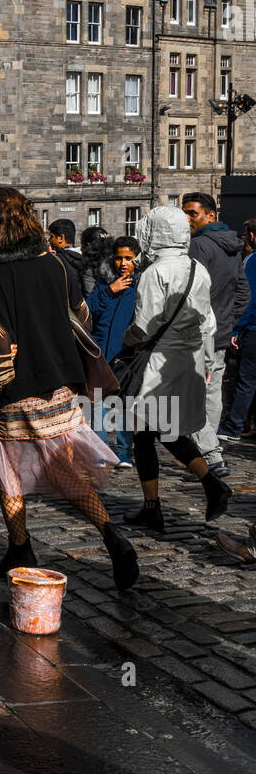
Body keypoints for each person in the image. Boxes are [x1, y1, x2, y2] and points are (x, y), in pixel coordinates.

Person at [0, 187, 137, 591]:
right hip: (60, 386)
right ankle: (113, 536)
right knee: (65, 472)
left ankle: (21, 547)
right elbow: (82, 319)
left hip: (17, 390)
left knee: (8, 473)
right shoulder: (54, 264)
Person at [122, 207, 229, 535]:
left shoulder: (155, 273)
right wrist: (207, 361)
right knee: (164, 429)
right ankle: (203, 485)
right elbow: (207, 320)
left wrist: (125, 343)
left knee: (146, 431)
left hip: (158, 362)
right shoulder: (197, 267)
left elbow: (144, 325)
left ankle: (165, 501)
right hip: (188, 358)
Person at [183, 192, 250, 474]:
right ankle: (211, 452)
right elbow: (242, 293)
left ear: (210, 215)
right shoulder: (232, 246)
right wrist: (225, 321)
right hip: (219, 333)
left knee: (195, 396)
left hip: (198, 334)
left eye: (192, 213)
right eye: (184, 213)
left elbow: (189, 293)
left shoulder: (198, 246)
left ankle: (207, 455)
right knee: (212, 394)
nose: (187, 220)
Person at [87, 236, 141, 467]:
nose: (123, 263)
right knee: (97, 403)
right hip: (101, 352)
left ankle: (123, 452)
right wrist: (109, 290)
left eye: (128, 258)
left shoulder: (142, 283)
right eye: (118, 258)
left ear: (137, 258)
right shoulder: (103, 282)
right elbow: (88, 311)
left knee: (123, 404)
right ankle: (100, 451)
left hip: (127, 353)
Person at [218, 231, 256, 445]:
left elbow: (248, 297)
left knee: (246, 380)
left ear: (252, 236)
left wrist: (236, 328)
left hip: (252, 328)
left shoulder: (251, 261)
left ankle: (234, 425)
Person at [79, 226, 115, 299]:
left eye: (82, 244)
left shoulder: (88, 266)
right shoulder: (119, 259)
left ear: (88, 245)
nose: (80, 248)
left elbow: (91, 296)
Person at [48, 219, 84, 287]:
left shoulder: (57, 260)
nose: (50, 240)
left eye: (51, 236)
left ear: (61, 238)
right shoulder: (84, 256)